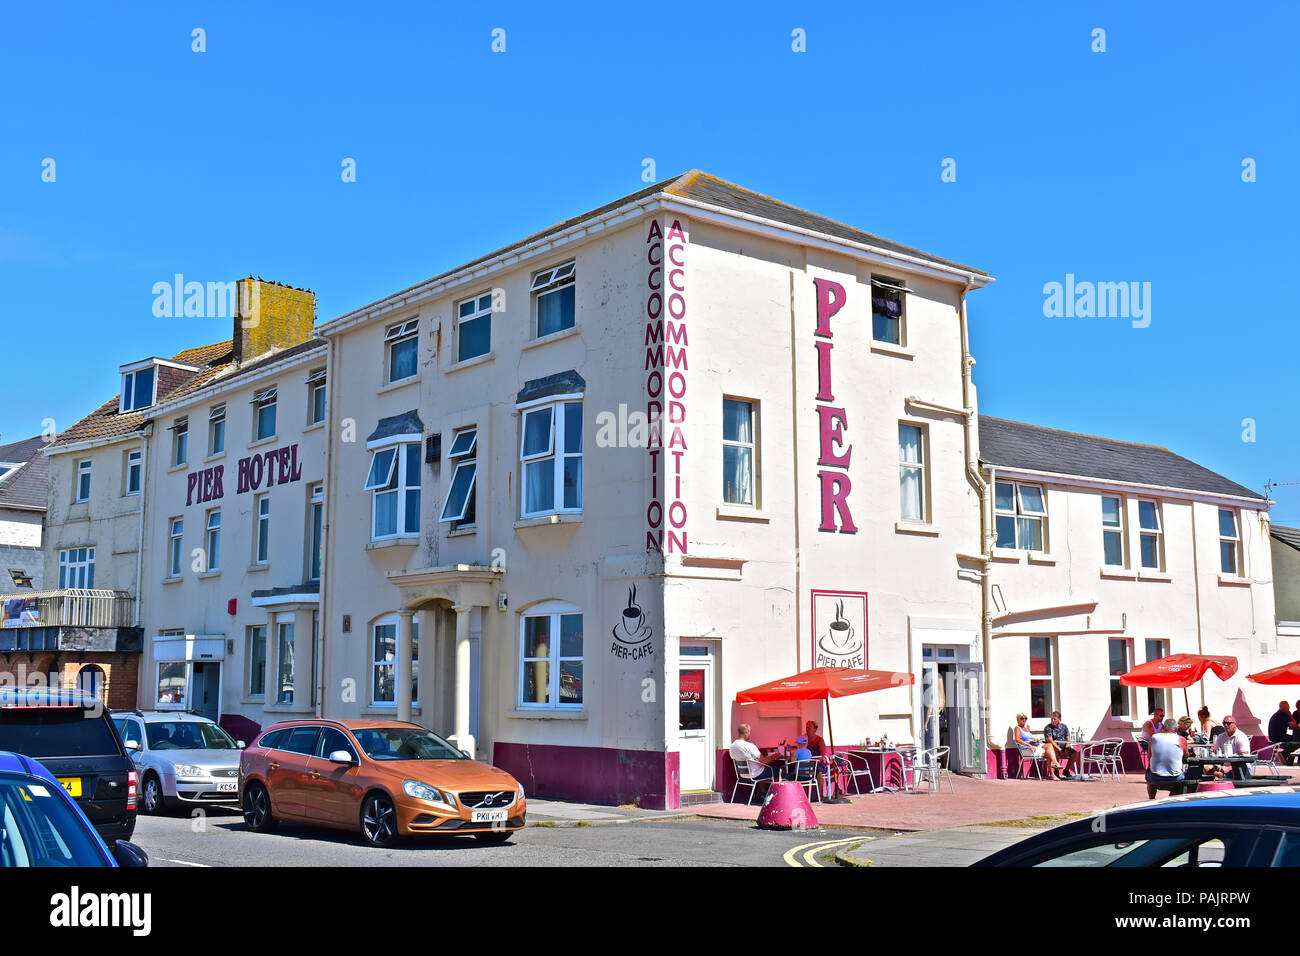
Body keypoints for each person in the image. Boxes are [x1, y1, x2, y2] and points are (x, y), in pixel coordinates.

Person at [1145, 718, 1189, 799]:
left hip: (1155, 777)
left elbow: (1149, 756)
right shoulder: (1181, 739)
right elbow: (1186, 755)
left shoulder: (1154, 737)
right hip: (1175, 777)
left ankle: (1151, 799)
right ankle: (1173, 797)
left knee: (1149, 773)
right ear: (1176, 729)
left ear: (1163, 727)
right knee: (1186, 775)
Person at [1013, 713, 1063, 778]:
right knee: (1049, 752)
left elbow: (1031, 738)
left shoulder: (1026, 728)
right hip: (1027, 749)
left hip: (1034, 746)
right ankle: (1053, 771)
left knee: (1049, 746)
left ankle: (1053, 768)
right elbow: (1017, 739)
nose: (1024, 720)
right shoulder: (1017, 728)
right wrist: (1028, 745)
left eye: (1025, 718)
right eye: (1022, 718)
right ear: (1018, 720)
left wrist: (1037, 740)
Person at [1042, 711, 1078, 779]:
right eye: (1052, 719)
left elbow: (1068, 737)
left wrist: (1067, 745)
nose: (1053, 720)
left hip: (1064, 747)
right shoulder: (1048, 727)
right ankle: (1056, 771)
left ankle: (1066, 771)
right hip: (1054, 748)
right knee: (1056, 753)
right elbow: (1050, 740)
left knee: (1075, 753)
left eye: (1054, 719)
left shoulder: (1064, 726)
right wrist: (1059, 749)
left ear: (1059, 719)